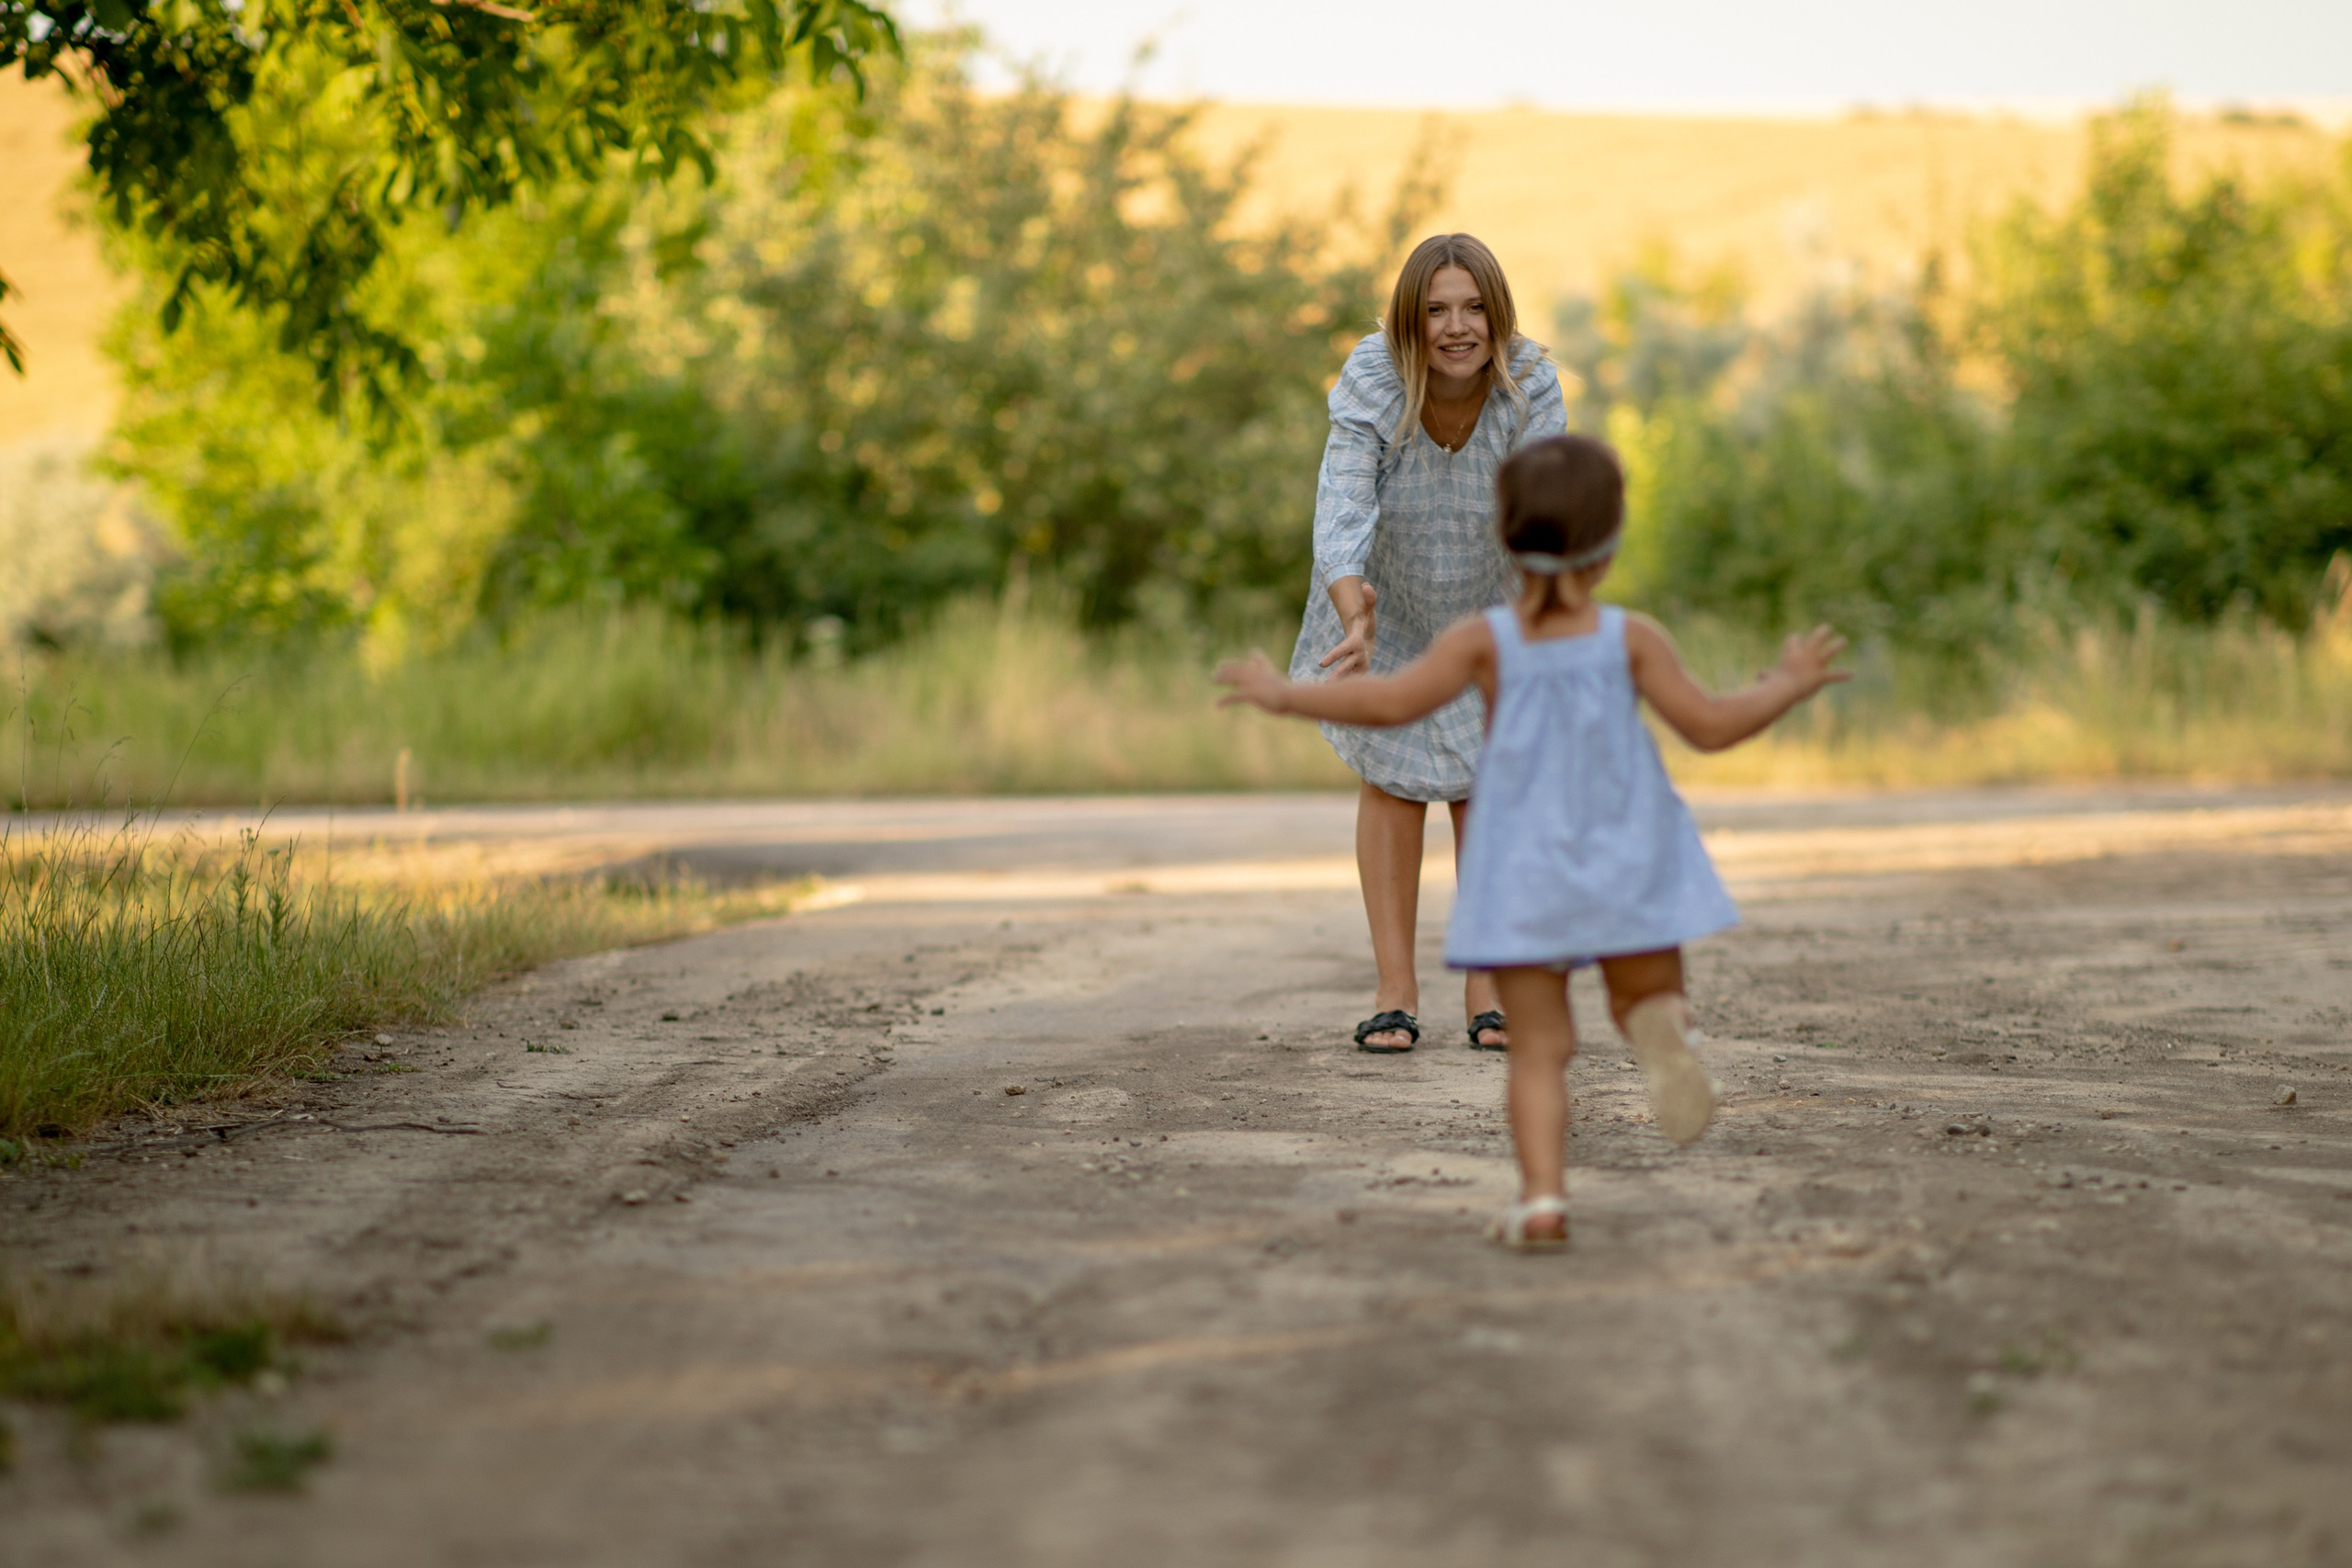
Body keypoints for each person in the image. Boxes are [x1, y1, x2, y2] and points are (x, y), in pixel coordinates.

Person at [1220, 434, 1849, 1251]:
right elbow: (1710, 727)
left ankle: (1543, 1201)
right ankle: (1660, 1026)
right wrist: (1784, 686)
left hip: (1524, 867)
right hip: (1626, 856)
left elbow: (1391, 704)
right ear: (1611, 544)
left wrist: (1288, 694)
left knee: (1539, 1052)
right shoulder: (1631, 638)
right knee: (1646, 995)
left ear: (1505, 539)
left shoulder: (1486, 641)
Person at [1295, 233, 1567, 1055]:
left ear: (1499, 313)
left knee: (1485, 779)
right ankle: (1394, 993)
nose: (1458, 327)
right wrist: (1353, 608)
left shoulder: (1532, 385)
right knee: (1394, 776)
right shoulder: (1375, 378)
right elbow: (1341, 503)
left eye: (1475, 307)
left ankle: (1489, 987)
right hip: (1381, 600)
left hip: (1492, 596)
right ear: (1411, 320)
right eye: (1438, 309)